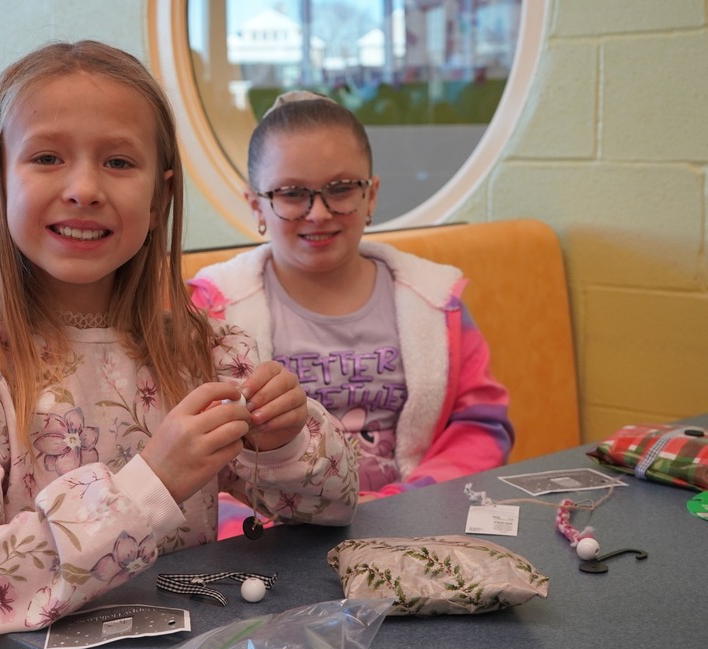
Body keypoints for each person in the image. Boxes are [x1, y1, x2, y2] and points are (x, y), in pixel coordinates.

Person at [0, 44, 358, 649]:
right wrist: (150, 483)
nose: (85, 189)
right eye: (46, 158)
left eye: (119, 162)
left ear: (159, 194)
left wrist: (286, 443)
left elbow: (335, 505)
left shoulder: (207, 354)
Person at [190, 91, 513, 532]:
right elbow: (198, 464)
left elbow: (480, 427)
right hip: (272, 539)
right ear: (256, 205)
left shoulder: (435, 300)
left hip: (413, 526)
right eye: (291, 194)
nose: (319, 213)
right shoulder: (211, 312)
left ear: (371, 195)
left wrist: (409, 506)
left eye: (340, 189)